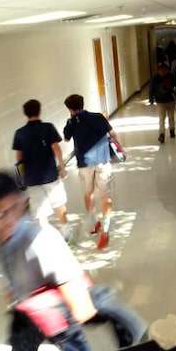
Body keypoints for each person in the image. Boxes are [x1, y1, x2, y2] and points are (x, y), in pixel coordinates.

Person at [0, 171, 147, 351]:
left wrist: (78, 309)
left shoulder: (40, 237)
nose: (6, 220)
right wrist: (15, 303)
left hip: (59, 299)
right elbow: (7, 277)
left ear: (21, 204)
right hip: (30, 304)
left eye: (12, 209)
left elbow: (71, 285)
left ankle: (122, 325)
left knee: (76, 338)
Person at [62, 93, 117, 251]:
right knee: (106, 195)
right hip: (102, 160)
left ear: (70, 109)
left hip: (84, 163)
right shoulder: (98, 117)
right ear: (82, 104)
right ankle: (105, 230)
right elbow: (113, 134)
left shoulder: (71, 122)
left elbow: (66, 138)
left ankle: (93, 222)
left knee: (89, 193)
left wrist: (72, 121)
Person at [12, 99, 70, 235]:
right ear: (40, 110)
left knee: (39, 211)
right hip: (50, 174)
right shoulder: (48, 127)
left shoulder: (19, 133)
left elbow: (18, 157)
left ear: (24, 113)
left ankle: (46, 237)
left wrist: (22, 176)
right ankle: (66, 232)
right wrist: (62, 167)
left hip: (31, 178)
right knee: (59, 203)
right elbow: (56, 148)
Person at [149, 62, 176, 142]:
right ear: (158, 71)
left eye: (165, 70)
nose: (163, 71)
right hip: (160, 101)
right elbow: (151, 89)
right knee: (162, 118)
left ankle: (172, 131)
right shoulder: (155, 79)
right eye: (161, 70)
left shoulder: (171, 77)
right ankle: (161, 134)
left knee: (171, 117)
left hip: (170, 101)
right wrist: (151, 99)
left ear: (167, 70)